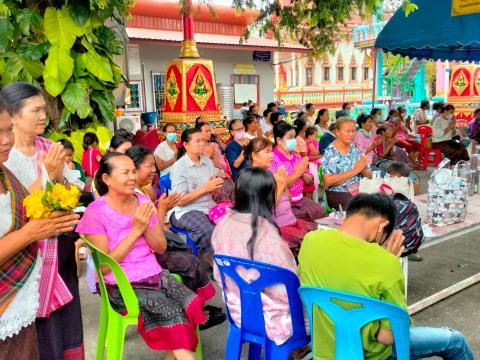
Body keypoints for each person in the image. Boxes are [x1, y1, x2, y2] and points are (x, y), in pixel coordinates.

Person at [299, 193, 474, 360]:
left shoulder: (310, 241)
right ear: (382, 225)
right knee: (455, 341)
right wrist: (387, 261)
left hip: (326, 351)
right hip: (372, 354)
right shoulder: (386, 263)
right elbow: (389, 337)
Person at [76, 153, 205, 359]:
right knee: (174, 313)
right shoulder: (96, 212)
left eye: (134, 171)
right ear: (107, 179)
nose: (132, 177)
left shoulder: (143, 201)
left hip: (154, 274)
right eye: (125, 172)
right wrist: (135, 230)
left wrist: (145, 228)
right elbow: (105, 267)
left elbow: (161, 248)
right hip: (120, 285)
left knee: (191, 303)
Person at [1, 82, 84, 359]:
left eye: (43, 110)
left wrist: (62, 183)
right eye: (35, 110)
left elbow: (71, 189)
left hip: (57, 250)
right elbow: (21, 209)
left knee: (63, 323)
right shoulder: (6, 159)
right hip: (24, 253)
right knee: (33, 331)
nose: (42, 116)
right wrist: (47, 174)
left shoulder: (50, 147)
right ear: (12, 116)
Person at [125, 145, 226, 330]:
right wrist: (163, 209)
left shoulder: (143, 191)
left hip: (149, 243)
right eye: (149, 166)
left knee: (185, 249)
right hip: (144, 253)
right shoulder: (133, 195)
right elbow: (156, 240)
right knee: (189, 262)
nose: (154, 170)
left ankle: (194, 306)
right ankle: (195, 313)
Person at [212, 167, 301, 345]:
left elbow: (217, 274)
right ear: (268, 198)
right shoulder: (267, 234)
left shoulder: (223, 224)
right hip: (274, 321)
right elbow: (287, 289)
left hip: (237, 311)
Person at [245, 138, 317, 256]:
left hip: (290, 220)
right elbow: (265, 209)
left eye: (271, 151)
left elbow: (288, 199)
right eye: (267, 152)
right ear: (254, 155)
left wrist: (284, 185)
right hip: (277, 228)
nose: (272, 155)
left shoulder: (269, 173)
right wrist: (283, 183)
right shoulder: (252, 177)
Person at [169, 128, 223, 261]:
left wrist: (215, 188)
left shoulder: (207, 162)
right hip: (186, 210)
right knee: (208, 230)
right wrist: (206, 188)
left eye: (203, 141)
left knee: (231, 222)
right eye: (197, 141)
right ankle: (212, 263)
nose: (202, 144)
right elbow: (180, 201)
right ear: (186, 145)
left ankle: (228, 259)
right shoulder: (179, 167)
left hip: (208, 205)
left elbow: (211, 188)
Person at [270, 121, 325, 222]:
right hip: (284, 203)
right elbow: (282, 185)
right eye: (290, 137)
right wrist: (298, 173)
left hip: (301, 199)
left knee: (321, 212)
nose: (294, 140)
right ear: (279, 140)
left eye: (294, 137)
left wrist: (303, 174)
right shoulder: (272, 159)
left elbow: (309, 181)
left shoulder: (297, 156)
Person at [322, 117, 371, 210]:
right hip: (339, 192)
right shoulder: (331, 152)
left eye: (353, 131)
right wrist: (355, 170)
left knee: (381, 202)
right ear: (337, 132)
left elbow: (367, 172)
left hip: (359, 188)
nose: (351, 134)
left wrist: (365, 171)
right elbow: (328, 181)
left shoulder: (355, 148)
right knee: (360, 209)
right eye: (348, 131)